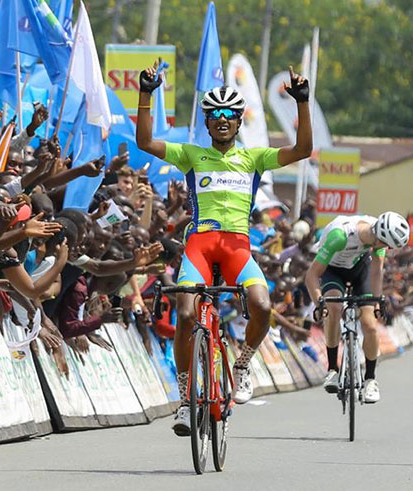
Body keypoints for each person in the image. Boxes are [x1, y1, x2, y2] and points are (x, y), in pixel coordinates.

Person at [135, 61, 313, 436]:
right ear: (206, 121)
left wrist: (302, 102)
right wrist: (146, 95)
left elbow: (303, 149)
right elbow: (145, 143)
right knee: (186, 315)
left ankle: (243, 364)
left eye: (229, 115)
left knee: (262, 306)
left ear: (237, 121)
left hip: (237, 248)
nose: (221, 120)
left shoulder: (254, 158)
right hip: (199, 246)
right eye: (214, 115)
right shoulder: (191, 155)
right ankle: (186, 400)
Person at [304, 212, 411, 404]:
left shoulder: (378, 237)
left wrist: (377, 301)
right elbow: (311, 276)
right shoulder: (340, 236)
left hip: (359, 268)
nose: (386, 249)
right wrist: (319, 302)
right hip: (332, 270)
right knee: (333, 309)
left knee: (370, 324)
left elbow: (376, 271)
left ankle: (370, 379)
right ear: (379, 238)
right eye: (387, 245)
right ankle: (333, 370)